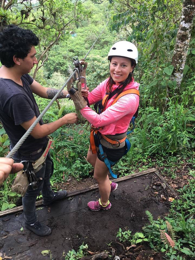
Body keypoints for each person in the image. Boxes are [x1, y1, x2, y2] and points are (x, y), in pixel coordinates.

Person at [0, 25, 78, 236]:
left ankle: (49, 196)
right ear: (17, 58)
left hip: (38, 148)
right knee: (32, 188)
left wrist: (69, 94)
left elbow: (44, 91)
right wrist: (64, 120)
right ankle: (31, 221)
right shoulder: (13, 95)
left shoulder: (17, 74)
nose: (36, 60)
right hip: (29, 152)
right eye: (32, 56)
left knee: (46, 173)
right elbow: (37, 131)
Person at [68, 41, 140, 212]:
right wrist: (82, 79)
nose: (117, 69)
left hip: (112, 144)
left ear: (132, 68)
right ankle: (107, 181)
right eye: (114, 64)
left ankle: (104, 203)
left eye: (124, 65)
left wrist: (79, 103)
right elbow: (90, 99)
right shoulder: (109, 83)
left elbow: (98, 120)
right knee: (91, 159)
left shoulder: (129, 98)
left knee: (98, 177)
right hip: (100, 137)